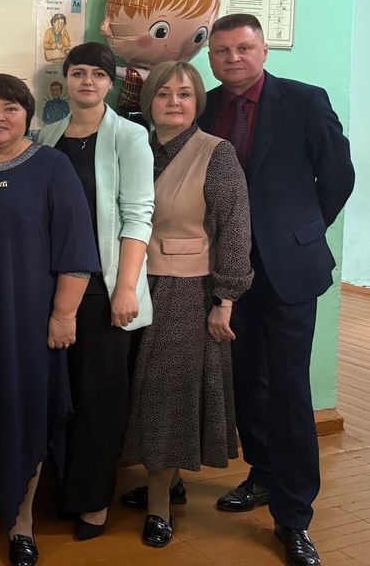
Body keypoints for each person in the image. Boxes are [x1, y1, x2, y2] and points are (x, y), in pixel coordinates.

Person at [200, 13, 355, 566]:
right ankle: (262, 474)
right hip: (225, 269)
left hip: (288, 267)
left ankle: (294, 516)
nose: (233, 59)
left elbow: (338, 177)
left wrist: (299, 230)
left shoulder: (305, 100)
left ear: (263, 50)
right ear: (210, 58)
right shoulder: (203, 105)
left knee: (288, 389)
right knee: (245, 380)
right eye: (222, 51)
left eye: (243, 48)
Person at [0, 74, 98, 566]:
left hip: (28, 319)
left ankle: (22, 519)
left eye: (10, 109)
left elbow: (76, 248)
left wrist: (64, 314)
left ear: (27, 117)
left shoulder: (51, 166)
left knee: (24, 411)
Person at [120, 60, 253, 549]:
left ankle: (159, 507)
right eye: (163, 94)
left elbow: (235, 230)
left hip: (186, 289)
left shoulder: (217, 153)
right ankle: (167, 480)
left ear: (198, 102)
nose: (173, 102)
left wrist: (225, 300)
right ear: (148, 101)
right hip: (129, 282)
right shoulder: (135, 145)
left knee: (166, 396)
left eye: (184, 94)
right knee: (136, 391)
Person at [36, 42, 154, 540]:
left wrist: (126, 288)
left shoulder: (129, 135)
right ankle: (63, 489)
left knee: (100, 399)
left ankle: (93, 502)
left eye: (98, 74)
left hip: (105, 291)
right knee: (59, 395)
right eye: (79, 72)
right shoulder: (47, 136)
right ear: (65, 79)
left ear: (111, 82)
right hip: (54, 288)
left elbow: (138, 216)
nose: (88, 81)